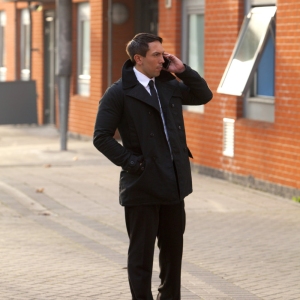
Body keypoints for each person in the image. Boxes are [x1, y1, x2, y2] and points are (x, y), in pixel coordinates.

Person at [93, 33, 213, 300]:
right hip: (142, 184)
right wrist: (133, 163)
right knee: (141, 256)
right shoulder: (119, 92)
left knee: (172, 252)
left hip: (173, 181)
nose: (163, 59)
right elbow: (101, 137)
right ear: (139, 59)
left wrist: (182, 70)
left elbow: (203, 95)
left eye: (163, 53)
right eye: (156, 55)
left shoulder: (168, 84)